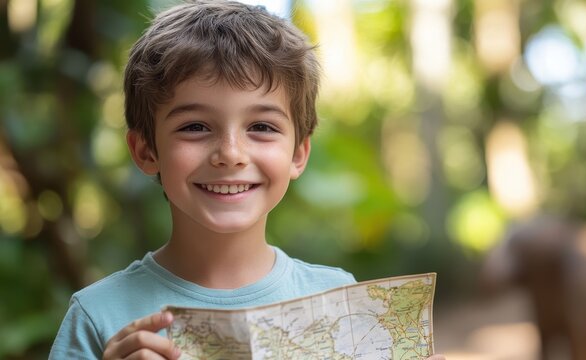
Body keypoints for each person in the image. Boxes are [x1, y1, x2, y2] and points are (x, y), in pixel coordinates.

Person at [50, 1, 446, 359]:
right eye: (195, 127)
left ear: (298, 154)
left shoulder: (342, 299)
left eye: (260, 126)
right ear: (145, 151)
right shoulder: (97, 318)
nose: (231, 154)